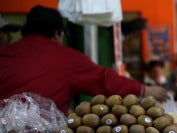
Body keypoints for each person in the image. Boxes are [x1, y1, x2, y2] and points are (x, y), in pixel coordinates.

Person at [0, 5, 168, 115]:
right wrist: (144, 90)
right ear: (58, 34)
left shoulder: (5, 54)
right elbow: (103, 80)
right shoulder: (66, 58)